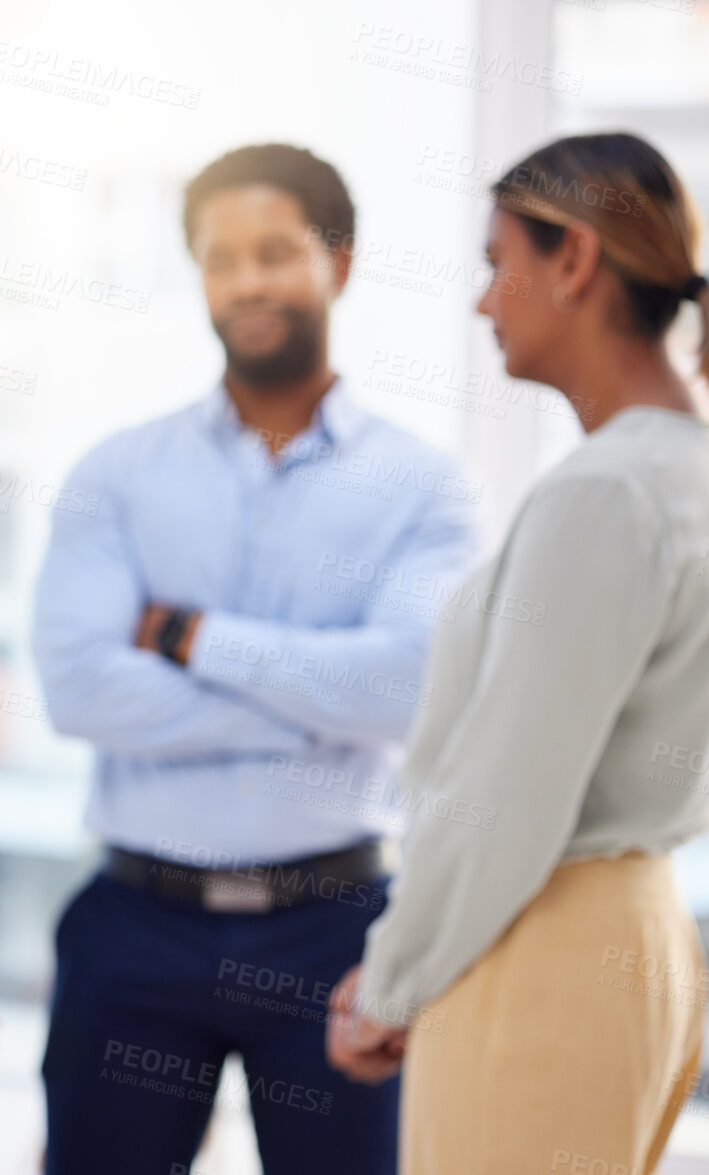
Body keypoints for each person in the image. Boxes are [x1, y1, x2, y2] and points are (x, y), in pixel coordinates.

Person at [31, 143, 480, 1174]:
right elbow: (79, 687)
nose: (247, 281)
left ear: (341, 262)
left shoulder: (423, 486)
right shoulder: (118, 472)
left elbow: (415, 687)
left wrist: (194, 640)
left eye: (275, 251)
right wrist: (327, 698)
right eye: (220, 256)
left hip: (338, 938)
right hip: (136, 925)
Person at [328, 131, 709, 1174]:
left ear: (575, 260)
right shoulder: (684, 473)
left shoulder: (605, 490)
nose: (483, 300)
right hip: (634, 933)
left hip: (541, 939)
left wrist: (391, 977)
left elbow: (508, 786)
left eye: (499, 264)